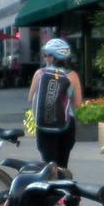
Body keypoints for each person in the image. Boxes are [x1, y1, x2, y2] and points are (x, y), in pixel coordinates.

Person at [29, 38, 84, 168]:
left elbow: (30, 98)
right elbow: (78, 103)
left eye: (47, 55)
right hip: (66, 124)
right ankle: (64, 185)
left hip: (44, 125)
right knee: (62, 165)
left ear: (54, 58)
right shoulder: (73, 76)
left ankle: (50, 186)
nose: (44, 57)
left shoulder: (39, 73)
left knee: (48, 167)